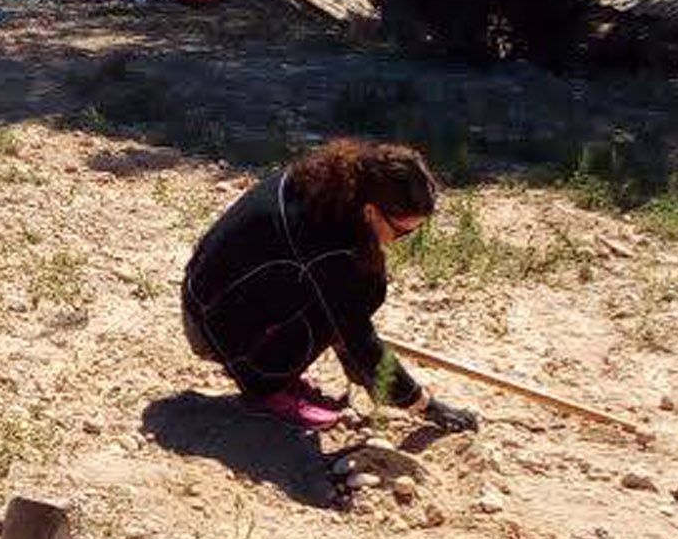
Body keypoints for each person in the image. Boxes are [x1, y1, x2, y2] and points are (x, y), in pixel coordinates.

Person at [181, 139, 479, 433]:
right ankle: (265, 384)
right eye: (401, 231)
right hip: (210, 325)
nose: (402, 240)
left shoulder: (328, 187)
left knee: (366, 285)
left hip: (205, 295)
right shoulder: (327, 244)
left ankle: (276, 368)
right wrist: (423, 403)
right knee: (358, 293)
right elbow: (357, 335)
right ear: (371, 212)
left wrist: (367, 372)